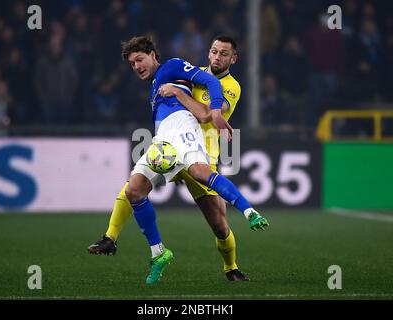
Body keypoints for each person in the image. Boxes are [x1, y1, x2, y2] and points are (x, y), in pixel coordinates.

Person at [90, 36, 269, 284]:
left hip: (201, 151)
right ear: (208, 53)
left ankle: (231, 267)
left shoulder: (229, 86)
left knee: (219, 224)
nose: (217, 57)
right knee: (133, 188)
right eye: (214, 52)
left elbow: (205, 114)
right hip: (171, 147)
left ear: (233, 59)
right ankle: (111, 238)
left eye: (224, 54)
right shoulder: (189, 74)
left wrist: (178, 93)